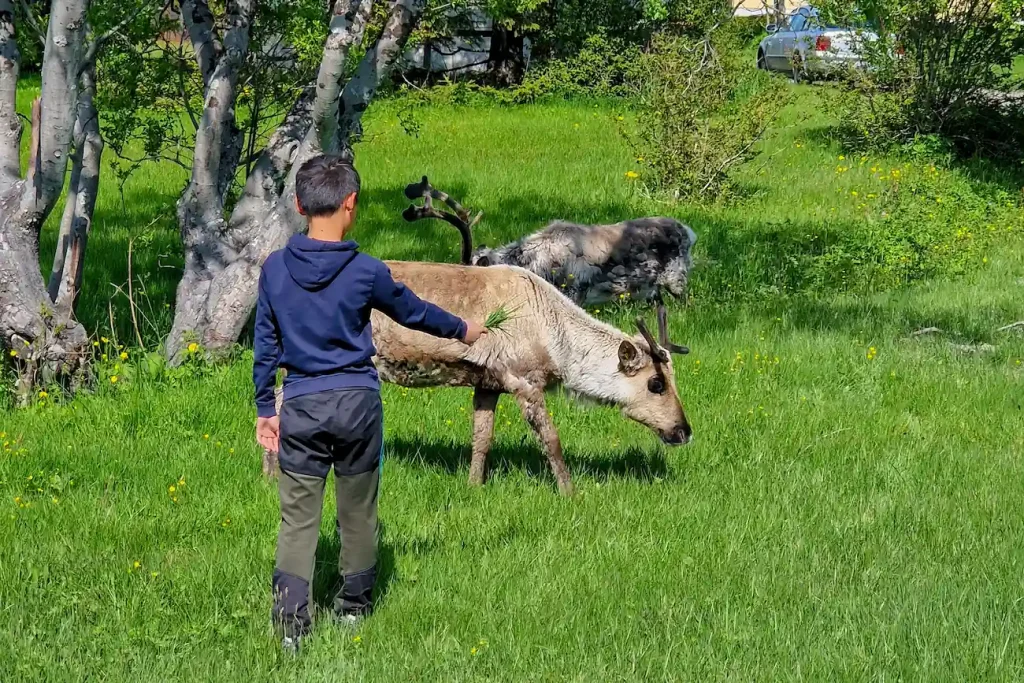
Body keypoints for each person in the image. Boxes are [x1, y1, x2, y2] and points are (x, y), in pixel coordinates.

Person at [252, 154, 487, 654]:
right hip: (358, 406)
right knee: (357, 511)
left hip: (302, 405)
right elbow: (414, 312)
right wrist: (464, 329)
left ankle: (291, 627)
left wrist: (264, 410)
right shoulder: (366, 271)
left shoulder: (273, 270)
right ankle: (354, 610)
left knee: (298, 517)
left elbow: (265, 345)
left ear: (298, 204)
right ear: (351, 205)